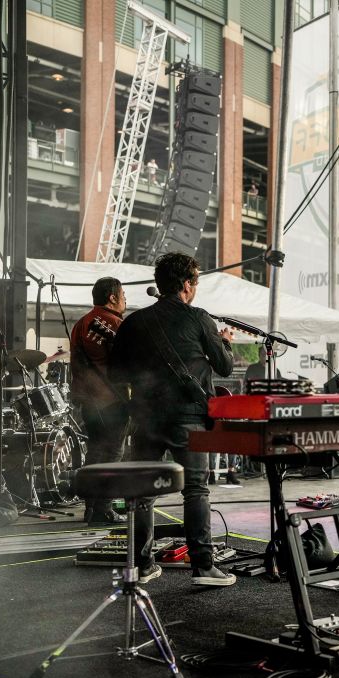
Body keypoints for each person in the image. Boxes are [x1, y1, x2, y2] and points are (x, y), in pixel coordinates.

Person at [109, 252, 237, 587]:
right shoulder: (198, 318)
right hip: (188, 417)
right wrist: (225, 343)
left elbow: (116, 374)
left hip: (146, 418)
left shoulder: (134, 323)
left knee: (142, 492)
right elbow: (224, 367)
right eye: (195, 281)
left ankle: (142, 565)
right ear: (185, 284)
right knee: (195, 488)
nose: (195, 287)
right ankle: (204, 567)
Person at [69, 277, 129, 525]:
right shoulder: (115, 323)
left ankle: (91, 507)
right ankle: (104, 507)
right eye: (123, 294)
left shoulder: (80, 324)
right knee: (113, 453)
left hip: (88, 401)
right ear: (112, 297)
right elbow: (124, 365)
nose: (126, 299)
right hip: (112, 401)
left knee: (94, 453)